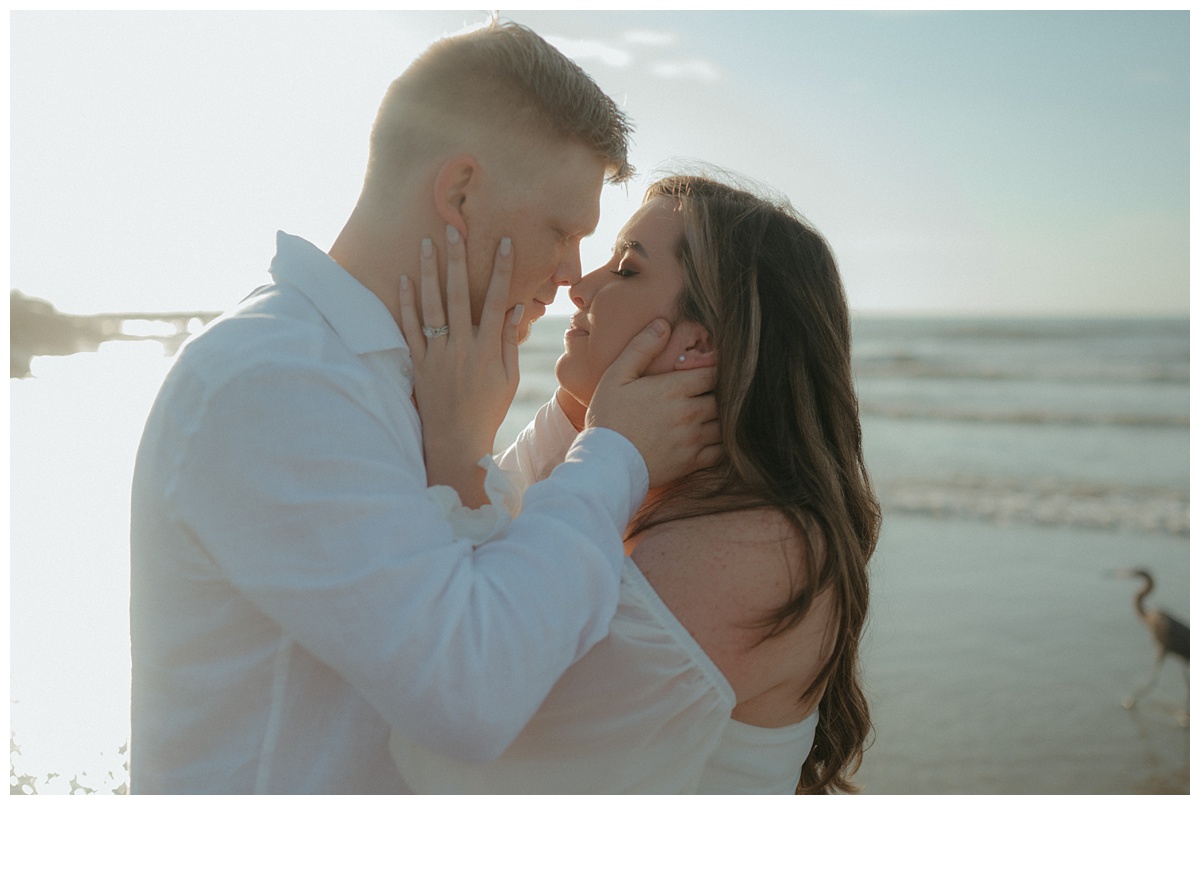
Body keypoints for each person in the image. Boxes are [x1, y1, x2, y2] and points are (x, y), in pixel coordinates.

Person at [129, 21, 720, 794]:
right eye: (561, 229)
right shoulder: (276, 383)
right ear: (460, 192)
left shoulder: (367, 371)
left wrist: (567, 425)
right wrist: (614, 453)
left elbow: (445, 565)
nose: (574, 273)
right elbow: (472, 688)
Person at [389, 174, 881, 793]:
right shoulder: (672, 491)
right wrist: (579, 419)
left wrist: (458, 445)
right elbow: (493, 577)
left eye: (625, 270)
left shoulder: (757, 550)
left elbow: (450, 748)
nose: (580, 285)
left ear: (696, 343)